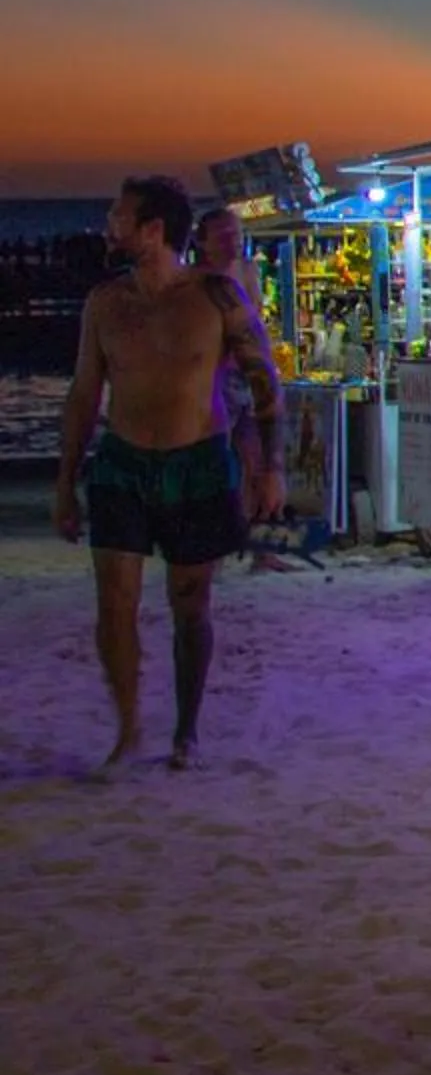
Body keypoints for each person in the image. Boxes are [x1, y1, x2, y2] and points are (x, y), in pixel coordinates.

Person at [53, 177, 286, 771]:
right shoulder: (106, 303)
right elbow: (84, 396)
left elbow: (265, 381)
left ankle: (186, 730)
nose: (109, 222)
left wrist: (270, 469)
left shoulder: (215, 297)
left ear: (152, 230)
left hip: (198, 464)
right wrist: (64, 485)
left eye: (118, 214)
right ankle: (128, 728)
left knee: (190, 605)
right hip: (123, 465)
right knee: (115, 601)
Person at [191, 205, 287, 569]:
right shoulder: (199, 281)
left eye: (237, 235)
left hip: (248, 380)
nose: (233, 242)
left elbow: (256, 322)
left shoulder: (248, 271)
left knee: (260, 463)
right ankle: (212, 548)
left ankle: (263, 549)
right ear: (203, 242)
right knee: (214, 466)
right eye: (224, 236)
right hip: (216, 383)